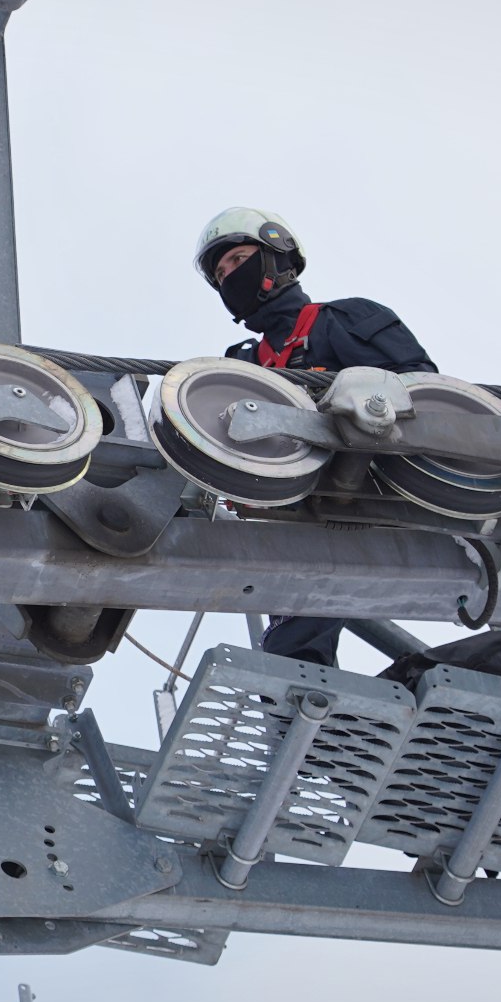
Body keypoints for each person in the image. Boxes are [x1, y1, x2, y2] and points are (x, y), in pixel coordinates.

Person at [196, 206, 438, 667]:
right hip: (302, 519)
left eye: (239, 260)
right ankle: (326, 736)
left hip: (383, 496)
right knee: (289, 657)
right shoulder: (241, 365)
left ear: (275, 261)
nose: (229, 275)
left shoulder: (345, 320)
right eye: (221, 272)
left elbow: (423, 393)